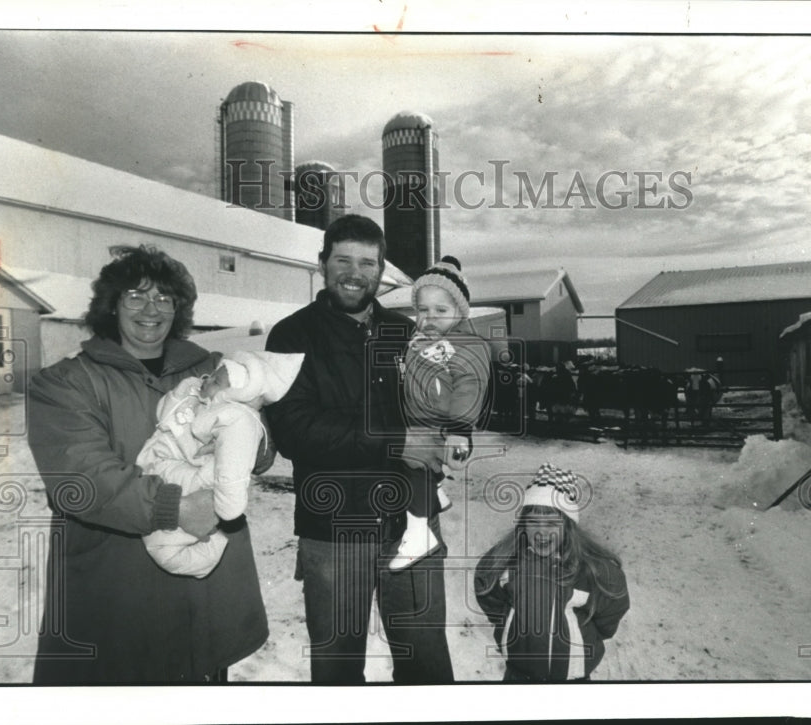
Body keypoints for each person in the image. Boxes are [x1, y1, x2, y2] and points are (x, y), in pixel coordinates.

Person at [27, 245, 269, 683]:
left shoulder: (210, 369)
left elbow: (258, 440)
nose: (151, 309)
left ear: (178, 309)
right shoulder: (66, 382)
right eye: (135, 296)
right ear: (111, 305)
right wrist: (173, 507)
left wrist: (257, 438)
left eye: (164, 298)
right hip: (118, 593)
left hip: (205, 593)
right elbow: (82, 479)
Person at [264, 214, 454, 684]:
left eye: (367, 263)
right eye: (343, 260)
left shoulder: (404, 331)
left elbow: (430, 407)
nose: (354, 273)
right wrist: (397, 443)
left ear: (381, 269)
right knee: (337, 670)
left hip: (410, 522)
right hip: (334, 531)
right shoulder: (291, 336)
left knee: (426, 665)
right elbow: (295, 430)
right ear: (322, 263)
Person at [137, 350, 303, 578]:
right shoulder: (202, 397)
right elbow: (169, 412)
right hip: (166, 483)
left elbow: (238, 467)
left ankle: (211, 545)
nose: (207, 380)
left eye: (216, 381)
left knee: (167, 549)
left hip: (192, 487)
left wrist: (229, 511)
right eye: (211, 376)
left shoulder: (234, 414)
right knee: (163, 546)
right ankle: (208, 546)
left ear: (236, 394)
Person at [474, 463, 630, 682]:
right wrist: (507, 624)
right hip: (519, 677)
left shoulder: (588, 570)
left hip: (572, 680)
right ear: (522, 525)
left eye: (551, 523)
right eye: (533, 522)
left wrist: (588, 636)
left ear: (567, 526)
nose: (542, 531)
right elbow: (487, 589)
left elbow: (611, 610)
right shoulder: (508, 564)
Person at [389, 255, 491, 570]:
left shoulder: (465, 344)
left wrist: (460, 429)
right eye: (423, 310)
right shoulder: (426, 341)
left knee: (410, 459)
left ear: (460, 313)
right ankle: (434, 491)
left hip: (444, 424)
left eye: (441, 311)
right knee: (407, 457)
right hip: (419, 416)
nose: (430, 317)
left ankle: (419, 531)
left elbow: (469, 385)